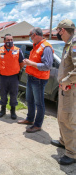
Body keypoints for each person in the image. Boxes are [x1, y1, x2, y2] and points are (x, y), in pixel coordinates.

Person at [17, 27, 54, 133]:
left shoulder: (46, 47)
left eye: (30, 35)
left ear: (36, 35)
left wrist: (31, 63)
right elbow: (35, 61)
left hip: (39, 79)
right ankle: (29, 119)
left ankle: (37, 125)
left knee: (39, 103)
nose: (30, 37)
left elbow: (47, 66)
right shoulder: (36, 46)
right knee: (29, 100)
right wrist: (28, 62)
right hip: (31, 77)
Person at [51, 19, 76, 165]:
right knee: (62, 117)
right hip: (64, 89)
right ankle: (64, 141)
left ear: (63, 30)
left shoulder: (74, 44)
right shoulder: (68, 44)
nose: (57, 33)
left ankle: (72, 153)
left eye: (58, 31)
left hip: (70, 89)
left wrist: (66, 81)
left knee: (68, 120)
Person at [0, 34, 24, 120]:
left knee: (13, 94)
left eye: (11, 40)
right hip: (3, 76)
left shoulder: (18, 50)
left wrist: (15, 69)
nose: (10, 41)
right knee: (3, 93)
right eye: (8, 40)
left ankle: (13, 111)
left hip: (13, 77)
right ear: (4, 41)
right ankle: (2, 110)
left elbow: (21, 63)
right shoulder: (0, 50)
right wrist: (2, 69)